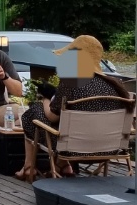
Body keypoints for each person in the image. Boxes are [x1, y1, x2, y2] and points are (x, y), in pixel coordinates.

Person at [17, 35, 130, 180]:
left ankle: (28, 168)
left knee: (34, 112)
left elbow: (52, 116)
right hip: (110, 148)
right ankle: (62, 165)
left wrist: (45, 99)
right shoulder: (116, 85)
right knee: (70, 123)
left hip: (73, 149)